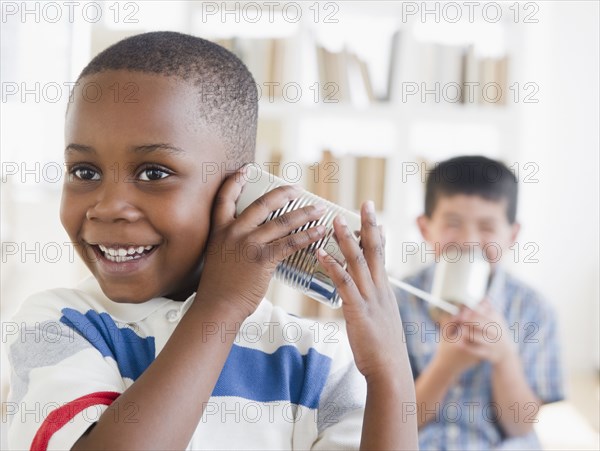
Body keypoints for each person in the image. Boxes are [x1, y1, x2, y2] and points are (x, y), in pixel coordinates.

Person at [6, 31, 417, 450]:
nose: (108, 207)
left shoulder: (314, 361)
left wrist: (390, 375)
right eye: (85, 172)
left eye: (153, 173)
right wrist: (220, 308)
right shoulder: (58, 325)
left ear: (244, 190)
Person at [395, 155, 564, 450]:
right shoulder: (398, 302)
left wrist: (504, 356)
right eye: (453, 224)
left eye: (486, 227)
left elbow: (520, 424)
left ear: (512, 236)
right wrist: (445, 366)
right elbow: (395, 422)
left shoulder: (535, 310)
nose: (469, 241)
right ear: (425, 229)